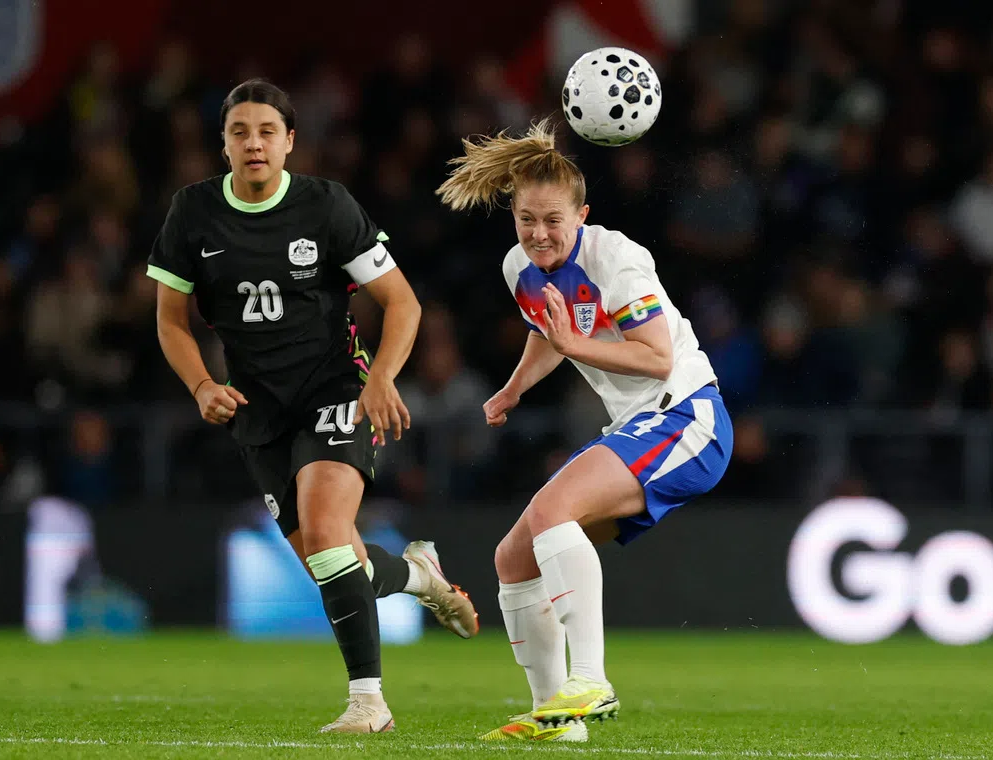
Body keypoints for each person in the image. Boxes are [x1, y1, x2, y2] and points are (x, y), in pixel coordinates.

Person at [148, 79, 478, 734]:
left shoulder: (326, 206)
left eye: (267, 131)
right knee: (336, 565)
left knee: (328, 535)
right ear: (224, 143)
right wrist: (201, 386)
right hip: (257, 412)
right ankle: (418, 576)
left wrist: (381, 378)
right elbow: (171, 321)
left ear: (290, 141)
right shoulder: (192, 214)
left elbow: (403, 303)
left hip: (335, 391)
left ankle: (368, 705)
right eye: (239, 131)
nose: (253, 143)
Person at [436, 119, 732, 742]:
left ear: (583, 215)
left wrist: (573, 342)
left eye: (553, 220)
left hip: (686, 417)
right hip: (637, 425)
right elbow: (550, 335)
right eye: (526, 219)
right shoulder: (520, 265)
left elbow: (655, 357)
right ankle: (558, 719)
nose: (539, 234)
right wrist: (516, 387)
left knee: (551, 511)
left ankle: (591, 680)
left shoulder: (617, 259)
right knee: (512, 559)